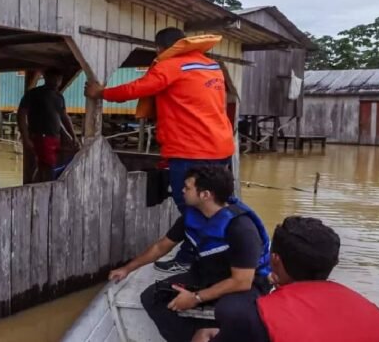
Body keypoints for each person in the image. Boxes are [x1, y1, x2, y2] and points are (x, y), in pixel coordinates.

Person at [85, 27, 235, 273]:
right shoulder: (211, 66)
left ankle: (192, 257)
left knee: (189, 205)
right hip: (220, 147)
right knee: (215, 204)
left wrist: (100, 92)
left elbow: (135, 89)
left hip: (191, 151)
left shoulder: (170, 65)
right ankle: (216, 250)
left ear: (159, 48)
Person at [108, 165, 272, 342]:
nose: (181, 191)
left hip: (245, 284)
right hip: (207, 274)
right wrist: (127, 269)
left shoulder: (241, 228)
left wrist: (196, 298)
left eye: (187, 188)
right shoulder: (192, 215)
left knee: (230, 311)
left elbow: (242, 281)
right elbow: (161, 247)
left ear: (205, 195)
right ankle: (194, 337)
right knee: (152, 297)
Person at [195, 216, 379, 342]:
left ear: (275, 260)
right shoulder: (373, 312)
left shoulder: (257, 316)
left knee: (203, 335)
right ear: (333, 263)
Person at [18, 68, 80, 182]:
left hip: (55, 137)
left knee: (45, 167)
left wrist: (73, 136)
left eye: (59, 78)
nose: (57, 81)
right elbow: (21, 114)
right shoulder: (34, 93)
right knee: (47, 167)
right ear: (46, 78)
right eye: (53, 77)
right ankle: (43, 190)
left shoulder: (59, 97)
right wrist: (25, 137)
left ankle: (36, 188)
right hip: (41, 136)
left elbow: (64, 117)